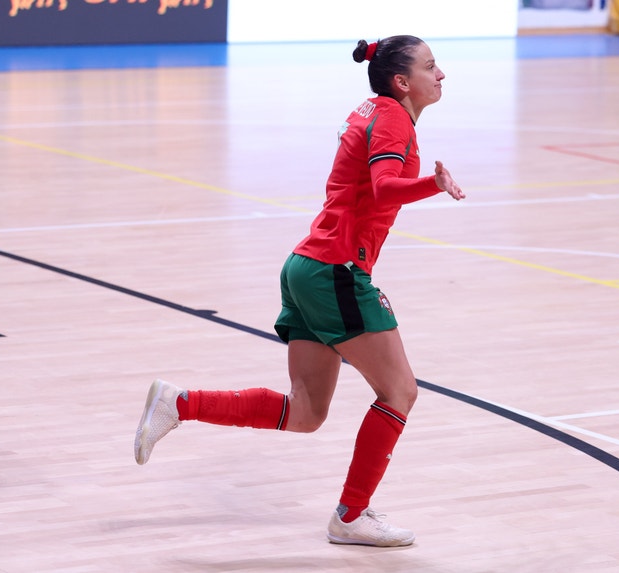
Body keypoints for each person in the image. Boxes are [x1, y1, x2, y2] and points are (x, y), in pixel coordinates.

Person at [134, 34, 465, 548]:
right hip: (336, 271)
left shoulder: (373, 110)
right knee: (400, 391)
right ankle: (352, 515)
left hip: (306, 265)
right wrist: (433, 184)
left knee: (306, 412)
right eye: (431, 65)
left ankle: (179, 404)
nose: (440, 74)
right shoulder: (394, 117)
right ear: (402, 82)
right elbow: (382, 186)